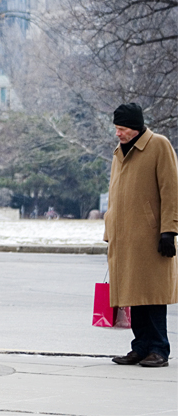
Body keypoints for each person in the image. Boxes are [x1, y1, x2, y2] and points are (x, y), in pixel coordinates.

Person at [104, 103, 178, 368]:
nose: (118, 134)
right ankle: (140, 347)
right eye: (117, 129)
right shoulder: (118, 153)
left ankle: (159, 348)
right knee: (133, 294)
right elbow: (114, 195)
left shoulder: (159, 145)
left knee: (153, 295)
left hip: (150, 237)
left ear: (134, 128)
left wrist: (169, 230)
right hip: (124, 237)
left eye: (121, 129)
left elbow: (171, 190)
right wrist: (108, 231)